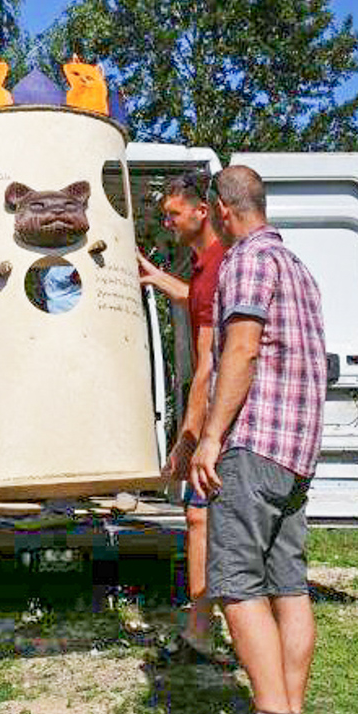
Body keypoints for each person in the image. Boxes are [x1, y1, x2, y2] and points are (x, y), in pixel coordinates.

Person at [189, 165, 326, 714]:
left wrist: (212, 435)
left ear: (222, 209)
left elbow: (241, 351)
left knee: (235, 584)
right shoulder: (299, 269)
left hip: (254, 444)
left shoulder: (245, 259)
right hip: (296, 451)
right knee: (289, 587)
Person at [137, 171, 227, 664]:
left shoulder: (217, 267)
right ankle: (201, 627)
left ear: (202, 211)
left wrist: (187, 439)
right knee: (201, 518)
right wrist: (157, 278)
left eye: (173, 215)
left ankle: (207, 627)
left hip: (220, 419)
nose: (168, 222)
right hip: (218, 416)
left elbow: (207, 367)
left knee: (203, 520)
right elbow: (195, 299)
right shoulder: (204, 265)